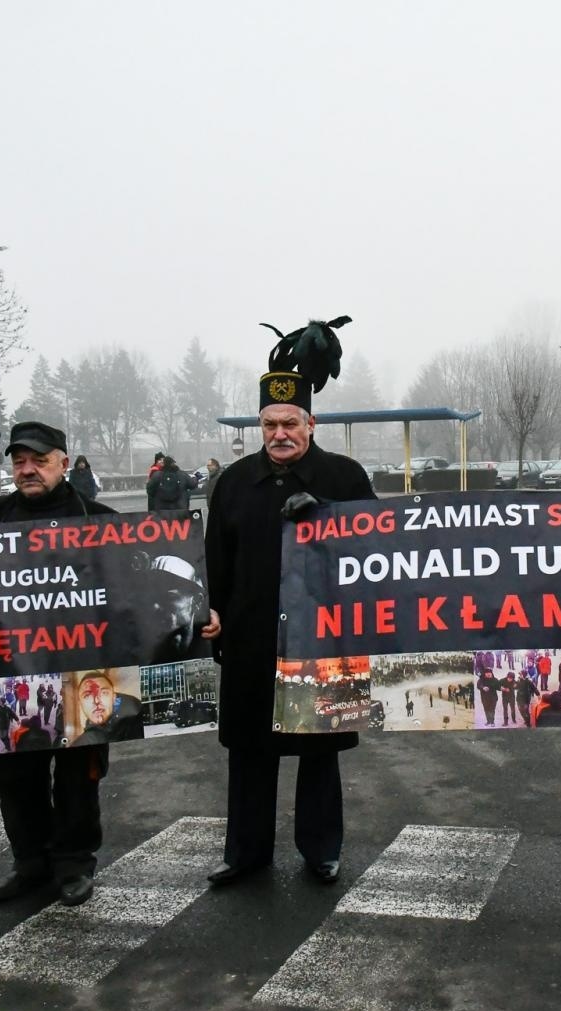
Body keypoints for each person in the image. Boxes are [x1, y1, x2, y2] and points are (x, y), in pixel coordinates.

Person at [202, 316, 373, 888]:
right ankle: (246, 852)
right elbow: (215, 560)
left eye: (290, 423)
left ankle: (321, 849)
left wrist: (325, 511)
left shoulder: (344, 477)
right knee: (249, 753)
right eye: (270, 424)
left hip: (321, 639)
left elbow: (377, 551)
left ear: (310, 423)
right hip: (250, 638)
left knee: (319, 751)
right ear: (260, 426)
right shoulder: (232, 483)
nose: (280, 434)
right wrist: (213, 613)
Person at [0, 421, 117, 908]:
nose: (28, 470)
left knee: (78, 778)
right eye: (19, 462)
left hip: (81, 672)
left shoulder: (99, 518)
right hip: (12, 676)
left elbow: (136, 592)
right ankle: (29, 862)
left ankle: (74, 864)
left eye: (39, 460)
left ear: (63, 462)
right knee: (17, 779)